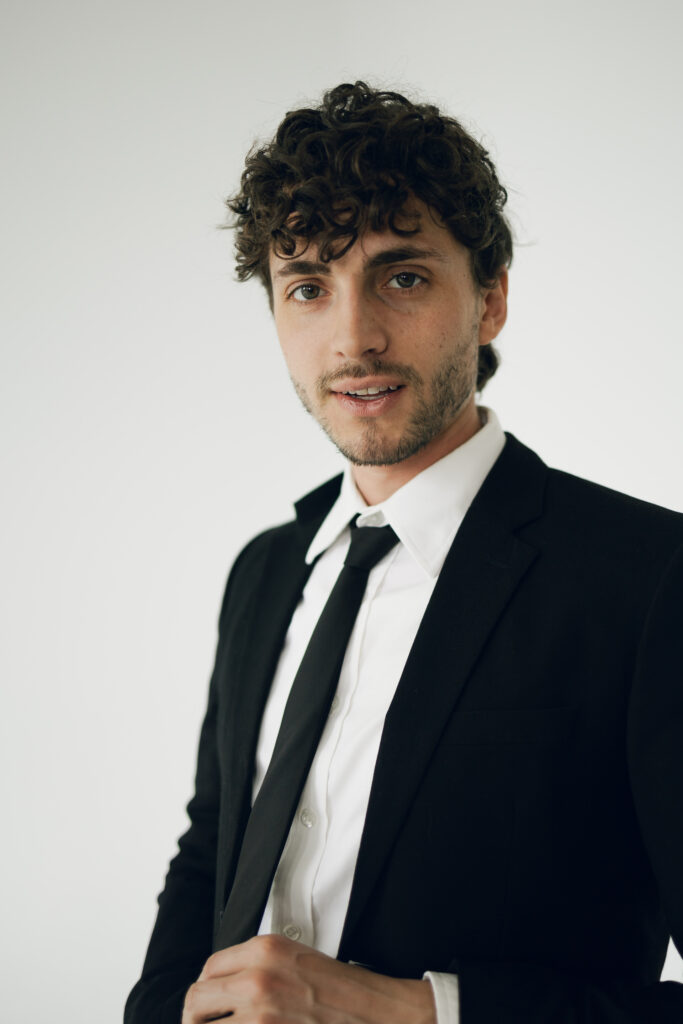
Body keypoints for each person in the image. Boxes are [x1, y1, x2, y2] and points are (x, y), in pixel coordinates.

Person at [125, 82, 683, 1024]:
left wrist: (414, 1011)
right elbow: (212, 843)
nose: (353, 337)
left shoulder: (649, 578)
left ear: (491, 298)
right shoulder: (265, 572)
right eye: (307, 287)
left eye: (403, 276)